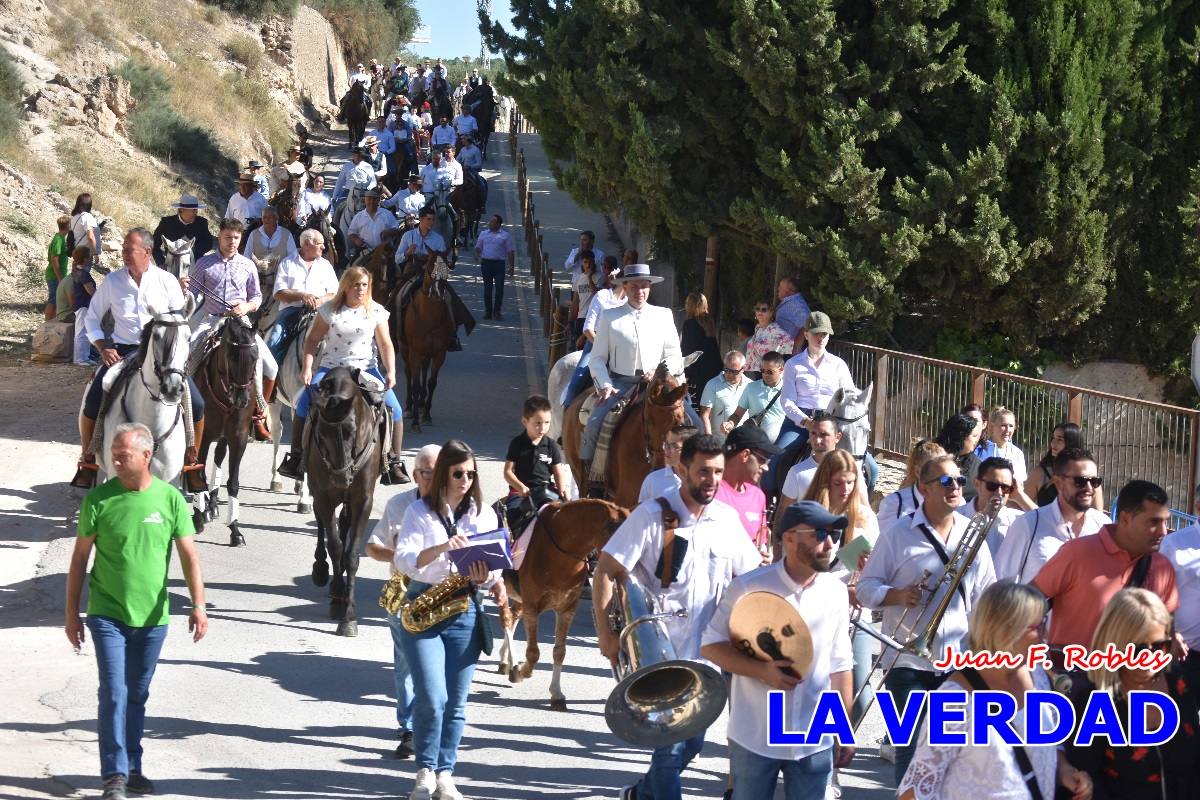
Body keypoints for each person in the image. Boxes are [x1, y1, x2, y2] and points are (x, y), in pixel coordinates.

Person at [593, 434, 762, 800]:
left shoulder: (726, 519)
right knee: (670, 753)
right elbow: (605, 571)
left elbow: (753, 577)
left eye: (717, 471)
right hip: (662, 657)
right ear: (682, 469)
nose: (712, 480)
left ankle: (640, 795)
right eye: (704, 471)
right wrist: (606, 634)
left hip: (709, 657)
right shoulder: (652, 515)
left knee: (690, 748)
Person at [65, 422, 208, 800]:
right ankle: (114, 775)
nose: (114, 458)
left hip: (153, 618)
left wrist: (198, 605)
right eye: (113, 452)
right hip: (106, 613)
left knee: (137, 695)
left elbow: (189, 556)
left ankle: (133, 766)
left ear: (146, 456)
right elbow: (79, 560)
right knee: (114, 691)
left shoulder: (170, 499)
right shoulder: (98, 500)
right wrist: (71, 613)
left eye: (122, 454)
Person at [857, 453, 997, 785]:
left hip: (957, 664)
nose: (956, 487)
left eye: (960, 480)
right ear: (924, 488)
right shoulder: (898, 534)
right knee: (909, 751)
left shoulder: (975, 533)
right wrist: (895, 595)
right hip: (906, 662)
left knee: (949, 753)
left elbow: (987, 596)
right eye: (946, 481)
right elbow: (865, 588)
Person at [701, 501, 856, 800]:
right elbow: (711, 645)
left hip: (814, 738)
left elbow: (840, 663)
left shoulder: (836, 592)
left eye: (835, 535)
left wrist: (844, 728)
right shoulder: (748, 587)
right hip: (756, 736)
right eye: (820, 533)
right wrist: (761, 671)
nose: (830, 543)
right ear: (789, 538)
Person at [898, 581, 1092, 800]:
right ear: (1005, 629)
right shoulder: (955, 699)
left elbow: (1046, 743)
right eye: (1036, 628)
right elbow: (914, 791)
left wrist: (1065, 771)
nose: (1044, 636)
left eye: (1043, 623)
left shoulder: (1037, 675)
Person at [393, 439, 504, 800]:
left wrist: (485, 576)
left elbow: (492, 573)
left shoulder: (484, 514)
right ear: (444, 474)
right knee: (432, 696)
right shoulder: (419, 512)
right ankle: (424, 770)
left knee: (456, 703)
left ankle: (445, 773)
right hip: (423, 607)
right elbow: (404, 560)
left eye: (471, 474)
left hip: (465, 608)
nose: (465, 480)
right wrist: (442, 548)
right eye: (459, 473)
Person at [70, 229, 206, 491]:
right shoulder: (113, 282)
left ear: (146, 252)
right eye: (122, 249)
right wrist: (102, 346)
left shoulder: (166, 281)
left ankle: (192, 462)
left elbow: (179, 323)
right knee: (94, 396)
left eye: (128, 249)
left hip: (161, 354)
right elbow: (92, 317)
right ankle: (88, 458)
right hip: (123, 350)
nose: (123, 254)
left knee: (197, 403)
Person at [277, 266, 409, 484]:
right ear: (346, 286)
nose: (360, 289)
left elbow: (385, 345)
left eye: (365, 285)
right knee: (303, 401)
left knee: (395, 409)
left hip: (366, 368)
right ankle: (296, 457)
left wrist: (391, 371)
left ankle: (393, 462)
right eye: (356, 284)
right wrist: (307, 368)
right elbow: (312, 341)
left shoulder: (376, 311)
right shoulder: (329, 310)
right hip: (331, 368)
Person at [1062, 588, 1198, 799]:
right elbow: (1088, 779)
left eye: (1159, 646)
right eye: (1139, 649)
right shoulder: (1092, 698)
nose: (1150, 658)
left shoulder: (1180, 682)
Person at [1032, 479, 1179, 658]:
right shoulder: (1078, 553)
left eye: (1165, 521)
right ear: (1125, 518)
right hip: (1074, 677)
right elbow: (1030, 598)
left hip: (1132, 680)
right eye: (1154, 522)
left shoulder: (1162, 567)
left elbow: (1167, 621)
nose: (1163, 531)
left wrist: (1172, 637)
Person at [366, 442, 442, 759]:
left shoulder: (455, 505)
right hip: (403, 592)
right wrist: (399, 555)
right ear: (415, 475)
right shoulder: (398, 505)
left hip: (441, 595)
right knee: (406, 664)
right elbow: (372, 546)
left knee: (442, 665)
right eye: (428, 473)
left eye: (441, 473)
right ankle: (409, 728)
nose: (435, 479)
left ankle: (439, 725)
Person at [582, 264, 694, 468]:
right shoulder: (610, 317)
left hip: (658, 384)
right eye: (634, 286)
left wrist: (659, 371)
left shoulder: (664, 315)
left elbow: (674, 354)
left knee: (697, 425)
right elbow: (597, 358)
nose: (639, 291)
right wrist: (605, 385)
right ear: (624, 286)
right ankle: (591, 476)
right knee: (593, 423)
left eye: (644, 286)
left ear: (650, 287)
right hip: (621, 384)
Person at [802, 450, 879, 726]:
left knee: (859, 695)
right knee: (813, 691)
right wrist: (839, 588)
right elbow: (801, 573)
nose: (845, 489)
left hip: (855, 618)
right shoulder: (809, 517)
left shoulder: (866, 519)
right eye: (838, 483)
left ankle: (834, 745)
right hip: (815, 614)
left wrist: (865, 572)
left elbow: (870, 567)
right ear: (826, 482)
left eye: (850, 482)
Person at [187, 218, 278, 441]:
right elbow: (193, 293)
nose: (232, 242)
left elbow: (256, 296)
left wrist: (245, 306)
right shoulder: (204, 263)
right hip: (212, 320)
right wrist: (183, 290)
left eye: (236, 238)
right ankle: (185, 412)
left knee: (271, 366)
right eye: (228, 237)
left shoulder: (247, 265)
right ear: (220, 236)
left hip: (241, 323)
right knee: (186, 362)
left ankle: (258, 415)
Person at [769, 311, 856, 495]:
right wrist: (806, 422)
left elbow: (850, 397)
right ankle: (768, 507)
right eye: (816, 333)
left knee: (871, 467)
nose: (820, 338)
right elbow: (787, 401)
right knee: (775, 459)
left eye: (824, 334)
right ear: (806, 334)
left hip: (832, 422)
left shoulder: (838, 365)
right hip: (799, 422)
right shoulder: (793, 365)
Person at [993, 447, 1111, 583]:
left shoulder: (1104, 526)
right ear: (1058, 483)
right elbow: (999, 584)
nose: (1089, 488)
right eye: (1080, 481)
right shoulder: (1028, 525)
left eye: (1094, 482)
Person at [265, 229, 338, 363]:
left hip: (321, 312)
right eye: (319, 243)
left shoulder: (326, 265)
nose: (323, 247)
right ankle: (267, 380)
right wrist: (302, 296)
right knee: (274, 341)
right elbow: (279, 293)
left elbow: (335, 293)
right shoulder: (287, 263)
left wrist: (321, 300)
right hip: (292, 312)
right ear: (306, 244)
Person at [503, 394, 570, 531]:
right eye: (538, 423)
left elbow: (558, 471)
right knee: (513, 517)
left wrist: (562, 490)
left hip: (546, 490)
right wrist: (520, 487)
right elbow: (508, 471)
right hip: (521, 493)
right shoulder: (517, 444)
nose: (543, 428)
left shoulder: (551, 445)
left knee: (567, 517)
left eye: (547, 423)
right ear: (525, 422)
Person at [778, 412, 856, 512]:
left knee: (873, 470)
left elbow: (864, 510)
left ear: (837, 437)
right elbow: (783, 512)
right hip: (799, 422)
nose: (817, 440)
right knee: (775, 458)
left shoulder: (853, 470)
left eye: (824, 435)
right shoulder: (797, 472)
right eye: (813, 433)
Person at [717, 425, 778, 541]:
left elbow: (762, 540)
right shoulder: (711, 493)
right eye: (762, 460)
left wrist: (764, 553)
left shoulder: (758, 495)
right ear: (745, 455)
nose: (766, 468)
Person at [1025, 422, 1105, 509]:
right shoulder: (1040, 473)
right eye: (1053, 438)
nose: (1053, 444)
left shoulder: (1090, 477)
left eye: (1059, 440)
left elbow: (1098, 513)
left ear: (1072, 442)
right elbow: (1020, 507)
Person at [1163, 507, 1200, 688]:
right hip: (1187, 655)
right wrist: (1170, 633)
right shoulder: (1174, 544)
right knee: (1187, 714)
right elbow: (1158, 594)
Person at [958, 456, 1023, 557]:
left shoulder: (1018, 520)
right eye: (992, 486)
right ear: (977, 483)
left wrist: (1020, 496)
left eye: (1005, 488)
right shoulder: (956, 517)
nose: (999, 492)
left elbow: (1047, 524)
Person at [973, 406, 1035, 510]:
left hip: (1009, 506)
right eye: (1003, 425)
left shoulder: (1017, 453)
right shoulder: (980, 450)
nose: (1007, 430)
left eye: (1011, 426)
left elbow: (1020, 483)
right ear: (993, 426)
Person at [721, 350, 786, 443]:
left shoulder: (790, 390)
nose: (765, 375)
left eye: (770, 372)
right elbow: (737, 414)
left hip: (781, 446)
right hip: (755, 446)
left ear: (781, 370)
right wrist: (730, 423)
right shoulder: (751, 388)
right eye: (762, 371)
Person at [877, 440, 945, 523]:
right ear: (917, 471)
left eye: (944, 468)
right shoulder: (896, 503)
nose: (941, 474)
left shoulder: (953, 500)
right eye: (933, 469)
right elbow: (885, 534)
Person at [680, 292, 722, 406]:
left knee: (695, 404)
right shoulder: (709, 321)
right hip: (713, 367)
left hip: (697, 370)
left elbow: (688, 350)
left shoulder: (690, 324)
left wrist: (685, 371)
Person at [638, 424, 696, 503]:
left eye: (674, 446)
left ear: (690, 450)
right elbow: (642, 512)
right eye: (666, 444)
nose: (666, 450)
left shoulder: (700, 480)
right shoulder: (653, 480)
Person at [152, 193, 214, 268]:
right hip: (170, 265)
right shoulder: (167, 223)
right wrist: (161, 263)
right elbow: (154, 245)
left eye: (196, 209)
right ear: (182, 209)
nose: (196, 212)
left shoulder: (201, 223)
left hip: (193, 265)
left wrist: (192, 251)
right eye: (193, 210)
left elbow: (208, 243)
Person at [934, 412, 984, 502]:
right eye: (974, 436)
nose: (977, 440)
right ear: (961, 436)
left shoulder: (977, 465)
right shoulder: (935, 459)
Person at [473, 214, 514, 320]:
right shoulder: (483, 234)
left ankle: (497, 311)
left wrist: (511, 266)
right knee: (488, 288)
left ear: (499, 224)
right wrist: (477, 255)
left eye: (493, 222)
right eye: (490, 221)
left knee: (499, 288)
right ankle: (488, 311)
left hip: (499, 264)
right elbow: (478, 247)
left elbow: (510, 251)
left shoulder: (505, 235)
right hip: (486, 263)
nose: (490, 223)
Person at [698, 350, 749, 435]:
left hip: (743, 439)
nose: (729, 374)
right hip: (719, 440)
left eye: (734, 371)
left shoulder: (750, 385)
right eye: (726, 369)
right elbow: (705, 415)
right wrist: (708, 437)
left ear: (743, 369)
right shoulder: (712, 384)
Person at [346, 188, 399, 264]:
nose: (371, 202)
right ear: (365, 201)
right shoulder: (358, 216)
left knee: (396, 272)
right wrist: (356, 240)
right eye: (369, 199)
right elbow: (351, 232)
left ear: (378, 201)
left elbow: (396, 229)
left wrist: (389, 232)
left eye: (374, 199)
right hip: (365, 251)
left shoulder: (387, 214)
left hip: (385, 251)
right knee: (352, 267)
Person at [743, 299, 794, 373]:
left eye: (764, 310)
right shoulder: (758, 328)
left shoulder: (776, 330)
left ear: (771, 313)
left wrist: (776, 362)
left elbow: (788, 346)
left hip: (767, 373)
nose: (760, 312)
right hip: (754, 371)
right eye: (757, 309)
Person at [69, 246, 98, 364]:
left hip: (82, 304)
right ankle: (79, 358)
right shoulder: (83, 275)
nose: (91, 259)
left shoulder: (76, 270)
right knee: (81, 332)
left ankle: (84, 357)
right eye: (90, 256)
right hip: (83, 305)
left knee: (85, 332)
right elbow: (91, 291)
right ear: (85, 259)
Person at [772, 276, 811, 346]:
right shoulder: (791, 302)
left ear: (789, 290)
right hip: (782, 349)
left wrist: (796, 348)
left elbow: (807, 325)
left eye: (781, 287)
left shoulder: (796, 304)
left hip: (788, 352)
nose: (778, 289)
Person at [47, 215, 69, 320]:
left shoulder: (61, 238)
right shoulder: (58, 239)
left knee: (57, 300)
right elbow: (54, 259)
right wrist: (60, 277)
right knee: (53, 300)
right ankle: (47, 325)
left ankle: (52, 323)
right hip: (54, 275)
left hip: (57, 275)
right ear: (68, 226)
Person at [70, 193, 102, 268]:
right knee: (82, 277)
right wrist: (96, 254)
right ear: (89, 204)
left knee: (75, 276)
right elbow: (90, 237)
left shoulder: (74, 217)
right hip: (84, 254)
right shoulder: (87, 217)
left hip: (76, 252)